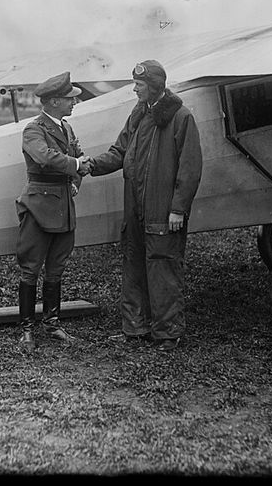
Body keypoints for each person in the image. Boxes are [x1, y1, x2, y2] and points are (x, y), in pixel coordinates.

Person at [86, 60, 202, 352]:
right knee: (134, 263)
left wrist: (178, 208)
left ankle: (167, 333)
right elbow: (120, 151)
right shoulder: (138, 113)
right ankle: (135, 328)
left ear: (154, 87)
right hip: (134, 207)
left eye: (139, 85)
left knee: (163, 268)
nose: (134, 89)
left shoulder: (181, 117)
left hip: (162, 210)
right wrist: (89, 166)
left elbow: (190, 168)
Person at [15, 71, 89, 354]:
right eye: (70, 99)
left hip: (63, 205)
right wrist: (76, 167)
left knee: (57, 267)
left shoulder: (67, 129)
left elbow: (78, 159)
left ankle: (52, 324)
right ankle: (26, 330)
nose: (74, 102)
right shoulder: (33, 130)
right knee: (31, 268)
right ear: (54, 101)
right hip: (39, 207)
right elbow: (45, 156)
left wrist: (76, 183)